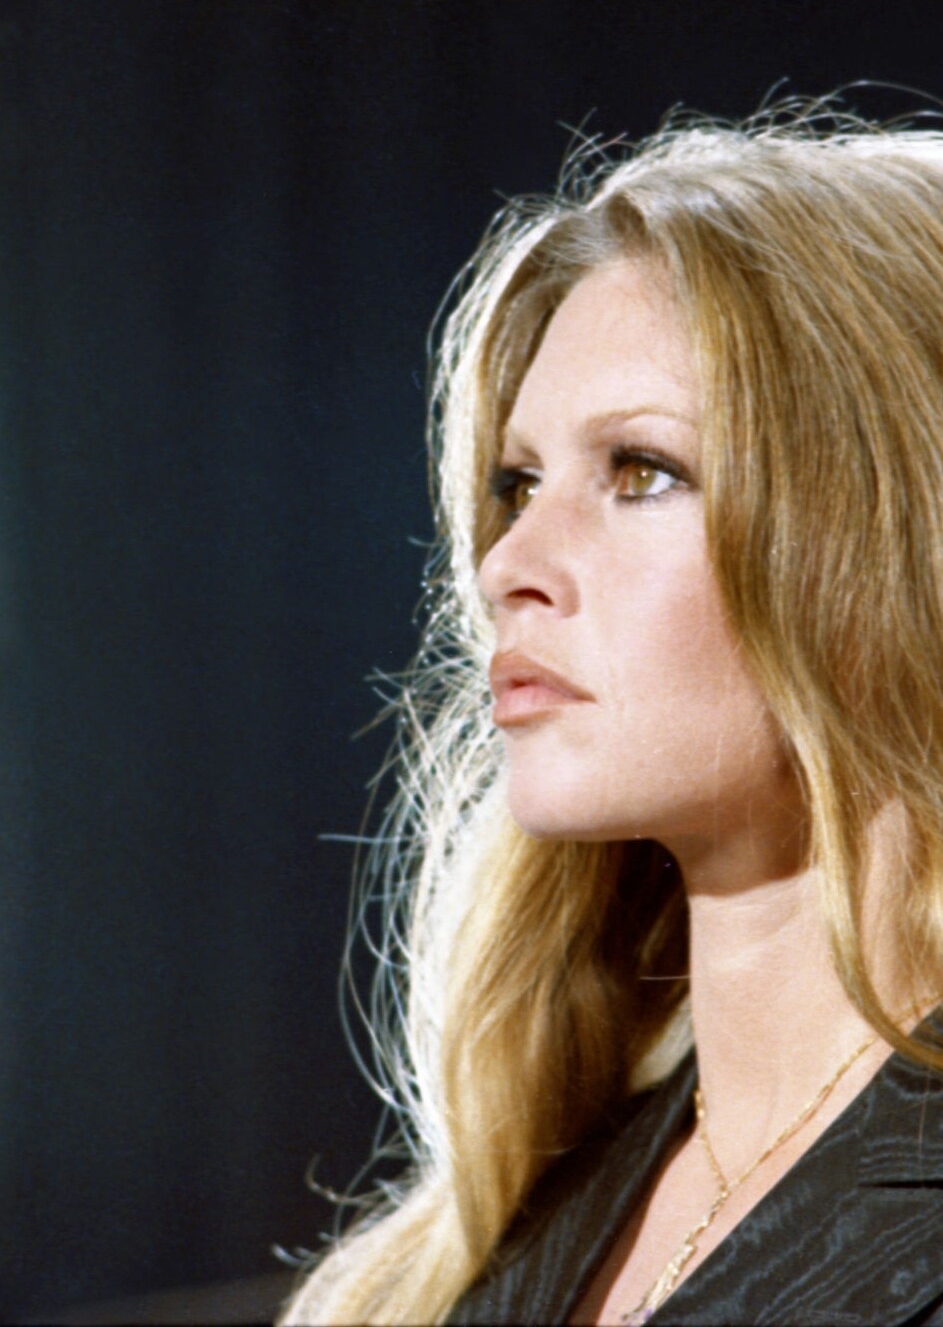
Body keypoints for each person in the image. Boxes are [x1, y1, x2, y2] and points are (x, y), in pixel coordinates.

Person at [282, 103, 943, 1325]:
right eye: (518, 484)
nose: (505, 565)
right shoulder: (474, 1242)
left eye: (641, 471)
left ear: (901, 540)